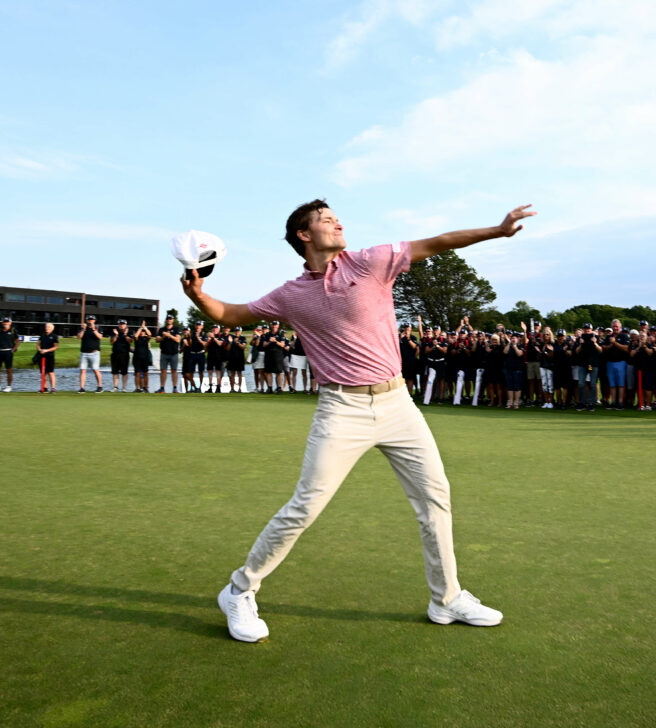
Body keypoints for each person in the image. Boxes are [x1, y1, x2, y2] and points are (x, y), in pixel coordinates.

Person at [182, 199, 533, 642]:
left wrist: (497, 231)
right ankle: (239, 590)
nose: (338, 223)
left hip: (398, 404)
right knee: (305, 506)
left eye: (336, 217)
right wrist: (198, 296)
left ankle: (446, 599)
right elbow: (234, 315)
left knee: (435, 501)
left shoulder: (372, 261)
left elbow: (438, 243)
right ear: (304, 235)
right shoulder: (290, 295)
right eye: (327, 220)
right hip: (341, 410)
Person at [78, 314, 104, 393]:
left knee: (96, 370)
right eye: (89, 319)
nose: (90, 321)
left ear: (94, 321)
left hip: (94, 353)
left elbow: (100, 337)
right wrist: (83, 329)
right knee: (83, 370)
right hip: (84, 353)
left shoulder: (98, 328)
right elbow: (79, 337)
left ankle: (100, 386)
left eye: (92, 320)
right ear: (86, 320)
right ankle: (82, 388)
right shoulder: (82, 328)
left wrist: (93, 329)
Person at [156, 314, 181, 393]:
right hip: (164, 353)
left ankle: (174, 388)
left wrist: (169, 335)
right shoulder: (161, 329)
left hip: (174, 353)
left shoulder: (176, 329)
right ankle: (162, 388)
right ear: (166, 320)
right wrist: (163, 336)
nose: (169, 320)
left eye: (170, 319)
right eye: (168, 319)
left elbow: (178, 340)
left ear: (173, 320)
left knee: (174, 371)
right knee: (163, 371)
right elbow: (157, 340)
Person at [109, 319, 134, 392]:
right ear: (118, 325)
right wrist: (116, 335)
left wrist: (125, 335)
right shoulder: (114, 331)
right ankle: (115, 387)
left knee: (124, 372)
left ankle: (124, 387)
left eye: (123, 324)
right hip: (115, 353)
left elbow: (130, 341)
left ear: (126, 325)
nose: (121, 325)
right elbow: (112, 341)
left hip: (125, 354)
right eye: (120, 324)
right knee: (115, 371)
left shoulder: (129, 332)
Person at [37, 322, 59, 393]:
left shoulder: (54, 336)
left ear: (52, 328)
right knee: (43, 373)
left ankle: (53, 388)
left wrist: (47, 350)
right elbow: (38, 344)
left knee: (50, 372)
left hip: (50, 356)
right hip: (42, 356)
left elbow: (55, 347)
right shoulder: (42, 336)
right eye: (46, 327)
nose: (47, 328)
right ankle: (44, 388)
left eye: (48, 327)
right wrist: (40, 349)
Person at [132, 322, 153, 392]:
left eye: (143, 332)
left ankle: (146, 387)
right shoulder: (136, 339)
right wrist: (141, 328)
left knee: (145, 373)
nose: (142, 333)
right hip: (137, 358)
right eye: (141, 332)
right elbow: (135, 336)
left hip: (145, 358)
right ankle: (137, 388)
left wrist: (145, 328)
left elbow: (150, 334)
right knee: (137, 373)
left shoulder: (146, 339)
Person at [0, 316, 18, 392]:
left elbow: (17, 341)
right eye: (4, 322)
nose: (5, 323)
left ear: (10, 323)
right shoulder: (0, 330)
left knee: (9, 370)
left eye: (7, 322)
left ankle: (8, 386)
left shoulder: (13, 330)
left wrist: (13, 349)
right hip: (0, 351)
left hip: (8, 352)